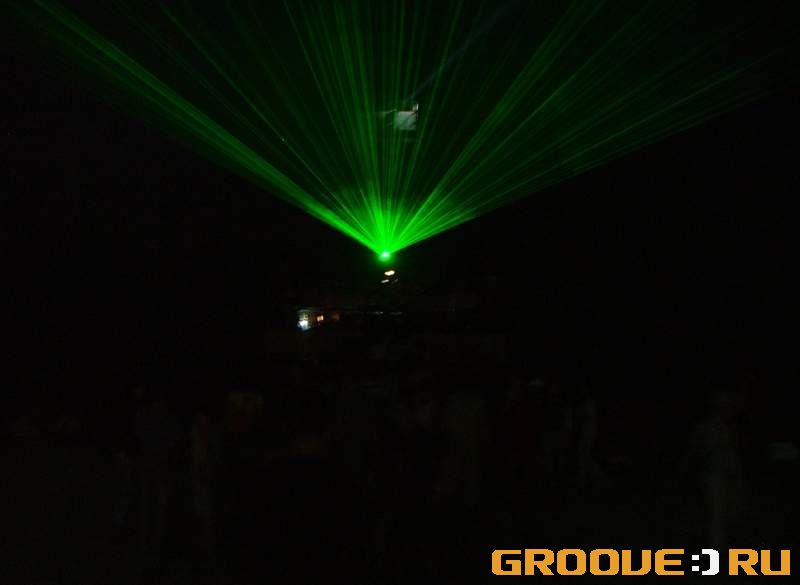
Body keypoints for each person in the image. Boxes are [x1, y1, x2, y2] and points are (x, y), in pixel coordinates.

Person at [133, 388, 182, 556]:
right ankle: (156, 545)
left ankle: (143, 543)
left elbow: (137, 435)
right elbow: (175, 441)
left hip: (147, 463)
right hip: (162, 465)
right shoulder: (169, 415)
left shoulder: (142, 413)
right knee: (161, 506)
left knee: (147, 504)